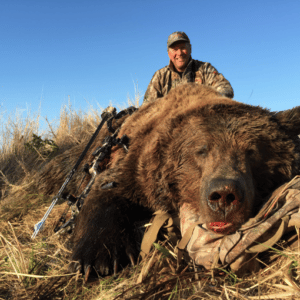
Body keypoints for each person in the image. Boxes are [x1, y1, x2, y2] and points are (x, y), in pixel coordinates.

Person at [143, 31, 234, 104]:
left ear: (190, 49)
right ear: (168, 53)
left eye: (183, 48)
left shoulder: (205, 68)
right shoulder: (160, 76)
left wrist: (203, 101)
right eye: (175, 49)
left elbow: (225, 88)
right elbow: (148, 106)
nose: (179, 53)